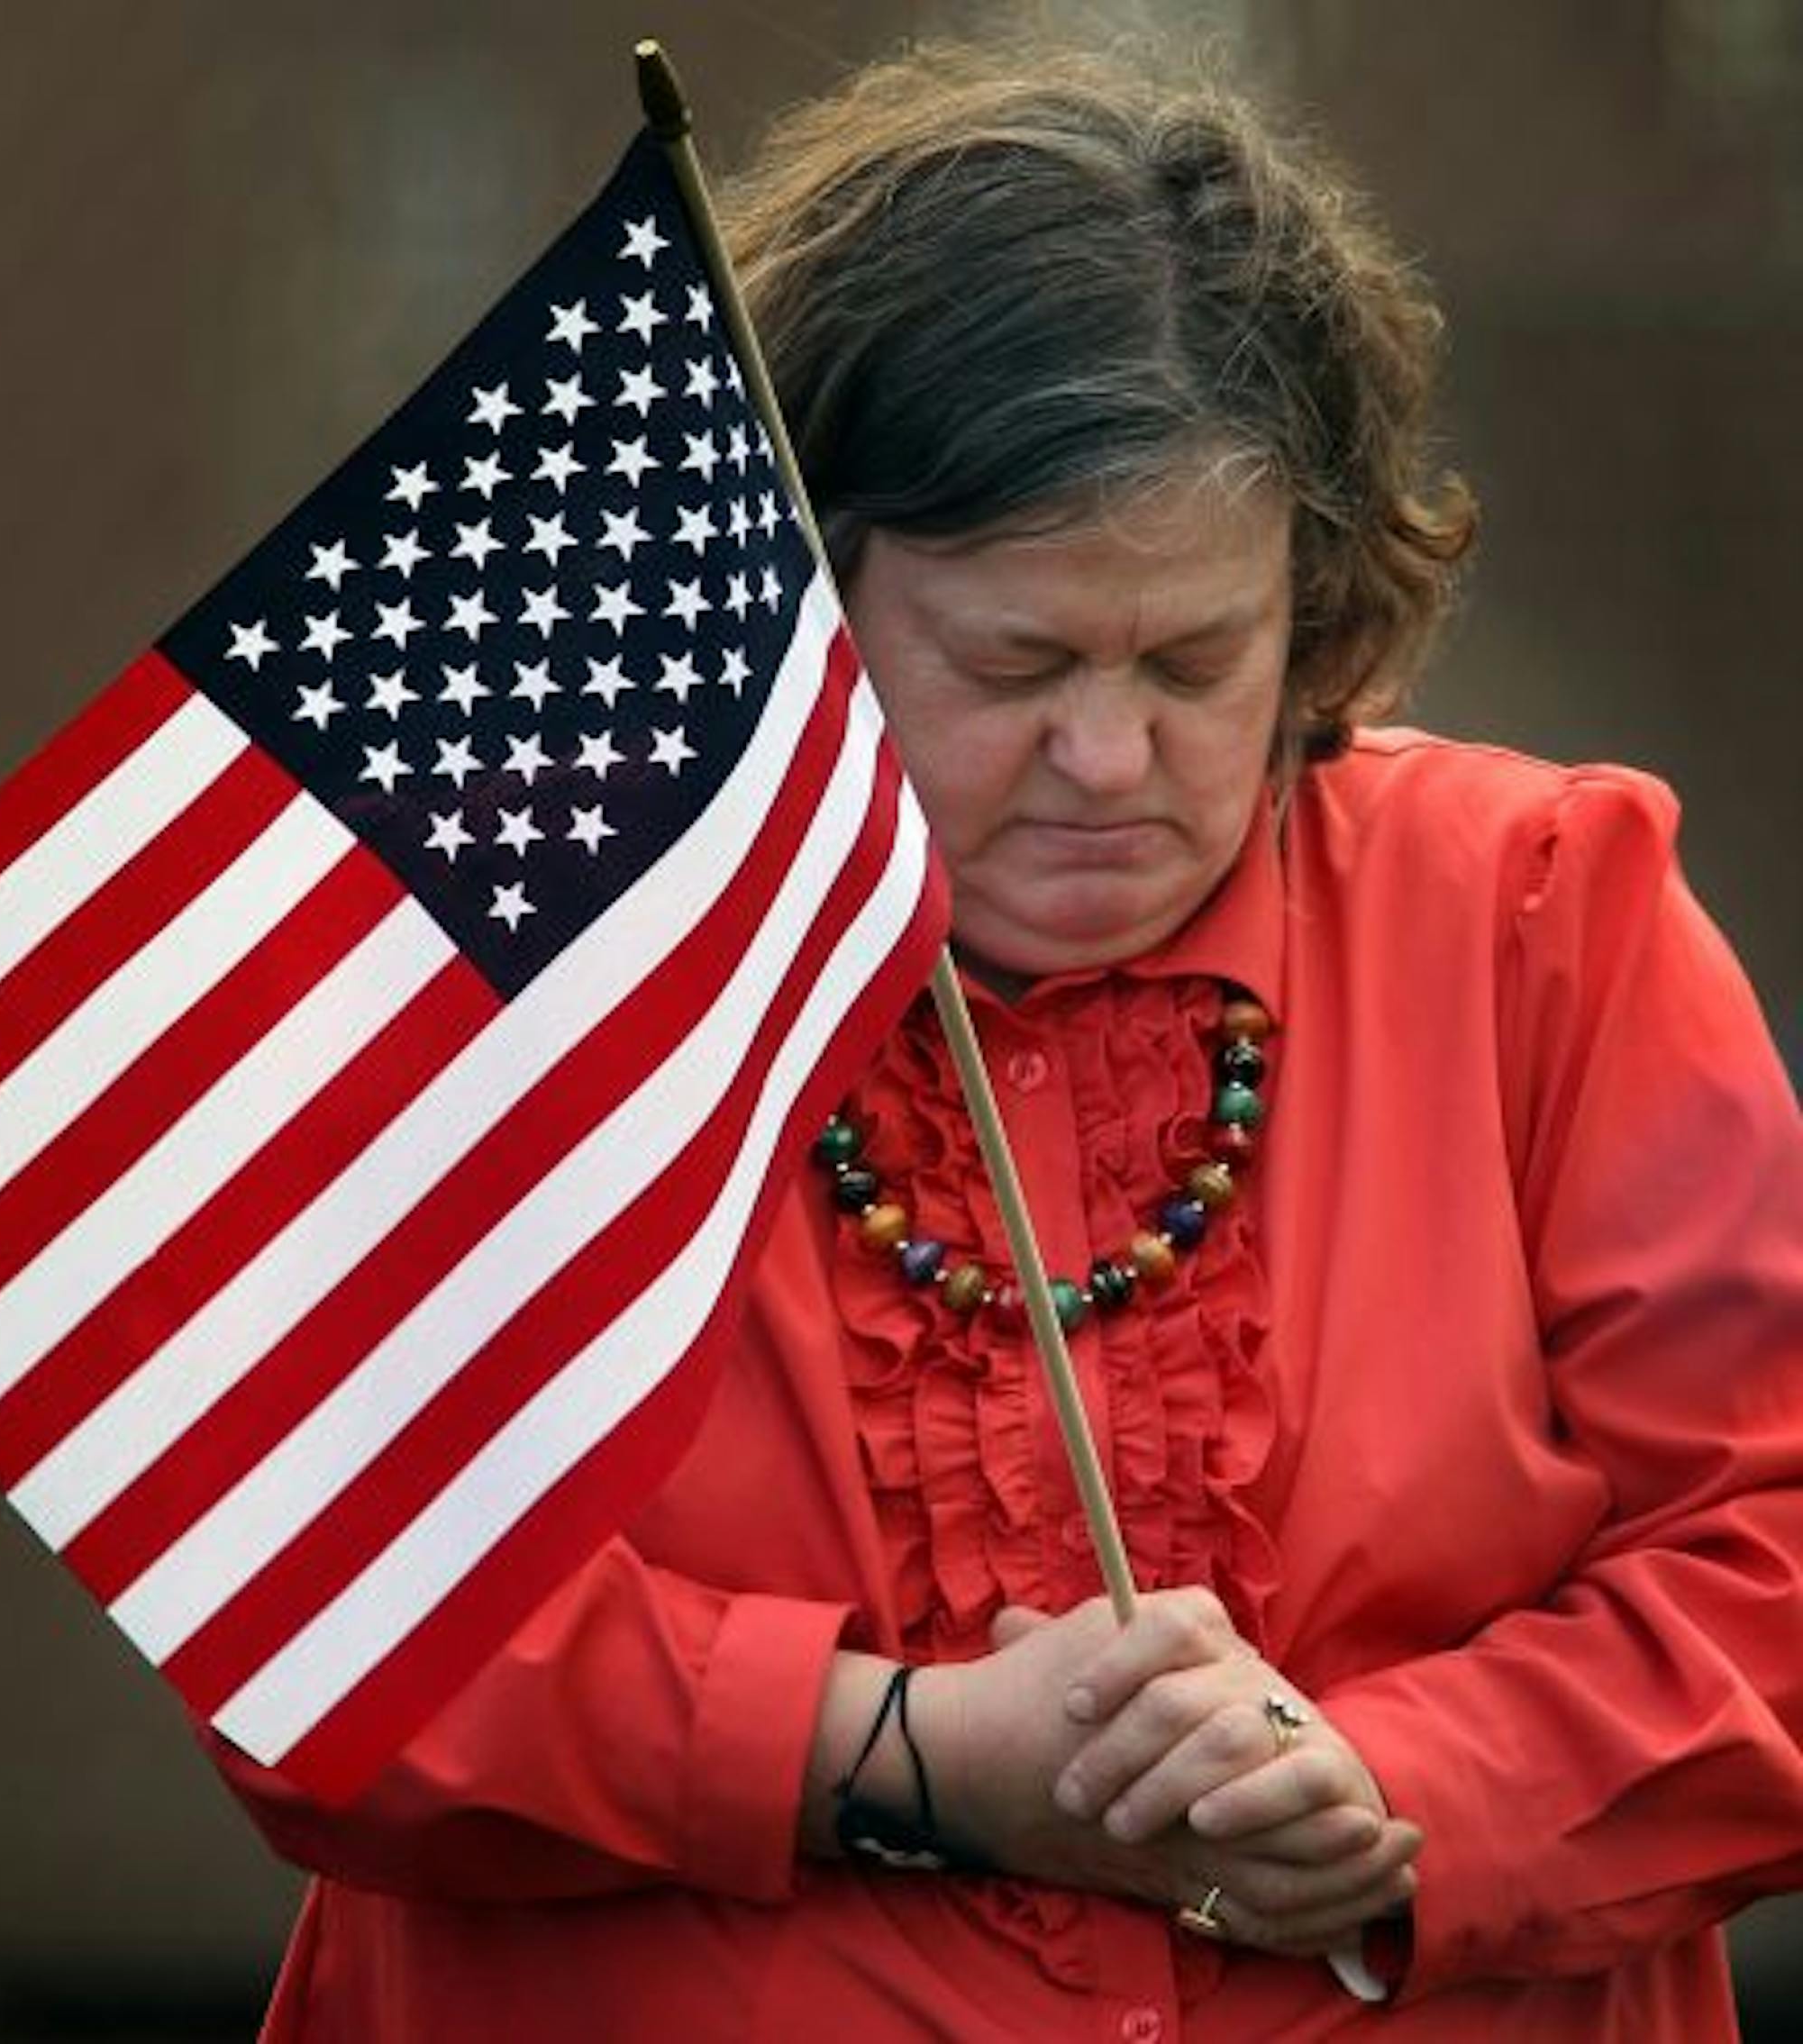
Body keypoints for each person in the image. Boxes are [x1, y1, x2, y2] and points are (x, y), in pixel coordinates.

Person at [209, 40, 1803, 2039]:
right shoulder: (540, 945)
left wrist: (1410, 1785)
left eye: (1197, 658)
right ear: (799, 586)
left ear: (1313, 605)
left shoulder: (1544, 921)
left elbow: (1773, 1554)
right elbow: (321, 1639)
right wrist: (902, 1749)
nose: (1111, 759)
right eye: (1015, 660)